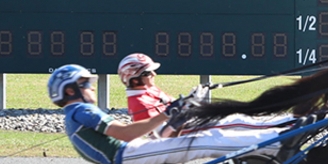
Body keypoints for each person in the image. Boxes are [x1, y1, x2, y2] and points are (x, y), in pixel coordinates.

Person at [48, 64, 296, 164]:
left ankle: (276, 138)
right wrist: (169, 113)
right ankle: (279, 140)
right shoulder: (81, 111)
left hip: (133, 151)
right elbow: (126, 133)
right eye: (86, 84)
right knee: (205, 140)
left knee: (208, 137)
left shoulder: (78, 113)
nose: (91, 87)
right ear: (70, 90)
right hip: (128, 155)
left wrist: (176, 109)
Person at [116, 52, 296, 137]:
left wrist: (191, 98)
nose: (154, 75)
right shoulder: (139, 102)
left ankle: (290, 119)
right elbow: (163, 135)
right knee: (237, 121)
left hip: (194, 122)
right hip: (191, 131)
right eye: (148, 73)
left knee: (237, 115)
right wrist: (189, 106)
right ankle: (289, 125)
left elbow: (174, 107)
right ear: (134, 79)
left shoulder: (149, 91)